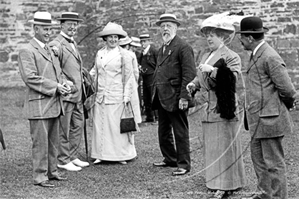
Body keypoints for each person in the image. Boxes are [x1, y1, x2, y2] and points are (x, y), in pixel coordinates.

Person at [236, 16, 297, 199]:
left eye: (242, 37)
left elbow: (287, 89)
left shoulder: (270, 56)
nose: (240, 40)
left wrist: (280, 109)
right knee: (259, 161)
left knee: (274, 164)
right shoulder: (256, 54)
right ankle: (265, 194)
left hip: (270, 121)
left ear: (249, 38)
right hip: (257, 121)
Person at [186, 14, 246, 198]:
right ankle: (214, 180)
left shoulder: (231, 56)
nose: (208, 38)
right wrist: (194, 83)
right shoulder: (206, 55)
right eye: (207, 35)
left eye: (212, 35)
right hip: (209, 106)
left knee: (225, 145)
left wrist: (213, 71)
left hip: (224, 106)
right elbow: (200, 74)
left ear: (223, 36)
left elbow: (233, 79)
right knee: (213, 145)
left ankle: (227, 184)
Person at [18, 11, 69, 187]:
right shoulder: (27, 50)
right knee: (40, 143)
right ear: (35, 28)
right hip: (38, 105)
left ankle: (52, 172)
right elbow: (30, 77)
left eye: (50, 29)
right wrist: (55, 87)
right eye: (44, 29)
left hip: (54, 102)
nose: (48, 32)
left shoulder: (50, 49)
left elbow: (58, 73)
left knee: (53, 141)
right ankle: (40, 177)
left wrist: (64, 84)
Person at [151, 14, 196, 176]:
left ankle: (184, 164)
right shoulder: (163, 47)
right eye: (162, 26)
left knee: (180, 131)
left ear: (176, 27)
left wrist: (185, 96)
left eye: (169, 25)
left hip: (176, 97)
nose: (165, 28)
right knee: (163, 131)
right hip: (162, 96)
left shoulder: (183, 47)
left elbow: (189, 74)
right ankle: (170, 158)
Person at [89, 22, 137, 165]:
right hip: (101, 95)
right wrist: (86, 77)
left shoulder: (124, 55)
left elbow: (129, 77)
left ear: (119, 39)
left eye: (116, 37)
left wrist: (126, 96)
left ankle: (121, 155)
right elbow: (95, 70)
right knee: (101, 125)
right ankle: (100, 154)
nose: (113, 40)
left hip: (117, 95)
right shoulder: (100, 53)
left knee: (116, 126)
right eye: (110, 37)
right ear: (105, 39)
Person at [49, 12, 89, 172]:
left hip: (78, 94)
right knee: (64, 128)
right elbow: (55, 68)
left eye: (75, 24)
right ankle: (62, 159)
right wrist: (65, 82)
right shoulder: (56, 44)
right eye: (69, 24)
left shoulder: (72, 43)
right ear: (62, 25)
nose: (73, 27)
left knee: (78, 125)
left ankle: (72, 156)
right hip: (67, 94)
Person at [119, 36, 142, 125]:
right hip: (130, 78)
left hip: (121, 79)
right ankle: (135, 119)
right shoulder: (131, 54)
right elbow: (135, 71)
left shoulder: (118, 53)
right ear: (128, 45)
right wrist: (136, 81)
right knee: (133, 101)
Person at [139, 33, 158, 123]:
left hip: (152, 77)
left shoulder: (153, 51)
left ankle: (157, 117)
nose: (143, 44)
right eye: (141, 42)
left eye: (144, 41)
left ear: (149, 41)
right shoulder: (142, 53)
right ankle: (149, 117)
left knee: (153, 96)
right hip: (145, 77)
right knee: (146, 98)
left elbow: (157, 64)